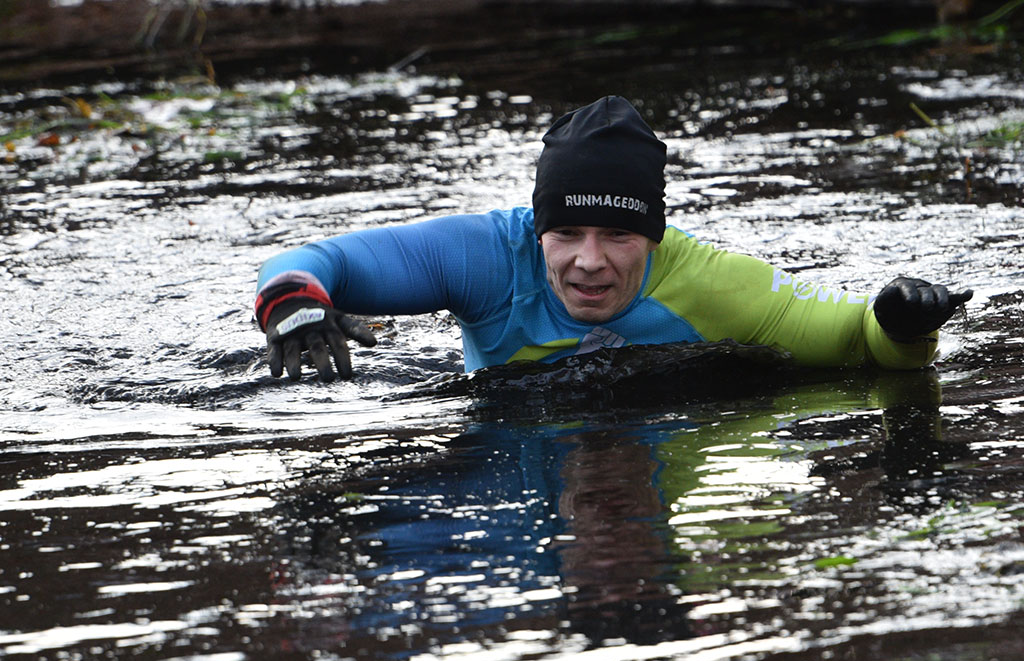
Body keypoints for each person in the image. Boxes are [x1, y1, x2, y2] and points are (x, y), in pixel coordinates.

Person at [253, 96, 972, 381]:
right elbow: (318, 262)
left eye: (619, 235)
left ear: (654, 238)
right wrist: (293, 302)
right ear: (538, 227)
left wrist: (905, 326)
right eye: (566, 232)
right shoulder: (487, 259)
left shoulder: (714, 286)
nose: (588, 261)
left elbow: (861, 342)